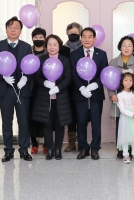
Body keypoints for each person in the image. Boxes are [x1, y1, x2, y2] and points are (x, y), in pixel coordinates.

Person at [0, 16, 34, 162]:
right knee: (7, 121)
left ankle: (24, 150)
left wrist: (25, 78)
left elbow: (31, 66)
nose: (13, 30)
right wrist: (3, 77)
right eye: (10, 27)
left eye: (16, 27)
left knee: (23, 121)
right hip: (5, 90)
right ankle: (8, 150)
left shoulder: (27, 47)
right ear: (6, 29)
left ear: (20, 30)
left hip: (22, 89)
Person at [70, 27, 109, 160]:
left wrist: (95, 85)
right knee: (81, 122)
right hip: (79, 94)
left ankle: (95, 149)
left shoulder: (101, 54)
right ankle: (83, 148)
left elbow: (104, 73)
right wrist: (81, 87)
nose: (87, 39)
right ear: (81, 38)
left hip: (96, 94)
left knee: (96, 123)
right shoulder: (74, 54)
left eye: (90, 36)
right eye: (84, 36)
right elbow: (73, 73)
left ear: (95, 39)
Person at [32, 35, 73, 160]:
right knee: (47, 124)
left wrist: (58, 87)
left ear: (59, 46)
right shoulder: (41, 59)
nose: (52, 47)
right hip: (45, 97)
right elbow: (37, 77)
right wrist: (44, 82)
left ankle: (58, 149)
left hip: (61, 97)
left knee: (60, 124)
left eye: (55, 44)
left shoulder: (64, 60)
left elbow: (68, 78)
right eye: (49, 44)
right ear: (46, 46)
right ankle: (49, 149)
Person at [107, 36, 134, 159]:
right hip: (118, 98)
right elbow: (108, 80)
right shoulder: (112, 62)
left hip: (132, 99)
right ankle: (121, 149)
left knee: (133, 126)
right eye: (124, 45)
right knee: (121, 125)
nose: (127, 48)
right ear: (120, 47)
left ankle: (133, 150)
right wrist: (112, 94)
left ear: (133, 48)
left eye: (129, 45)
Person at [61, 22, 82, 151]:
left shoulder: (84, 48)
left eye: (76, 32)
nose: (73, 34)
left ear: (80, 33)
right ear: (67, 34)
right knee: (71, 115)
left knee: (82, 114)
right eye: (71, 32)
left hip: (82, 86)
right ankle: (71, 142)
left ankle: (82, 142)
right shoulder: (62, 49)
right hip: (67, 87)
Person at [116, 72, 134, 164]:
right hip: (126, 118)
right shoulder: (120, 95)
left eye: (130, 80)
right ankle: (125, 154)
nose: (128, 82)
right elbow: (122, 109)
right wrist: (132, 115)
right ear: (122, 82)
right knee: (125, 136)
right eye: (126, 80)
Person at [29, 27, 47, 155]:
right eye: (35, 37)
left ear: (44, 38)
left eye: (41, 37)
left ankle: (46, 143)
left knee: (45, 116)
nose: (38, 39)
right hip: (30, 88)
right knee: (31, 116)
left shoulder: (48, 53)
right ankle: (34, 143)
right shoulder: (28, 52)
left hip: (45, 88)